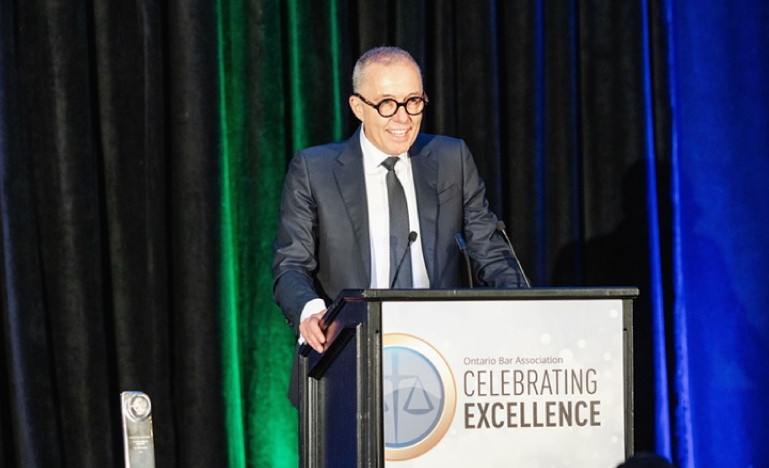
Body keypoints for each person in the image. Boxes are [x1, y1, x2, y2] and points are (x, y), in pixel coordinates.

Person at [272, 46, 528, 406]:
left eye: (413, 101)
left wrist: (525, 309)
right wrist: (312, 312)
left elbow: (491, 252)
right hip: (347, 359)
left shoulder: (451, 159)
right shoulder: (315, 171)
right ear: (358, 107)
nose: (404, 117)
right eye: (387, 104)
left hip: (445, 362)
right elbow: (291, 266)